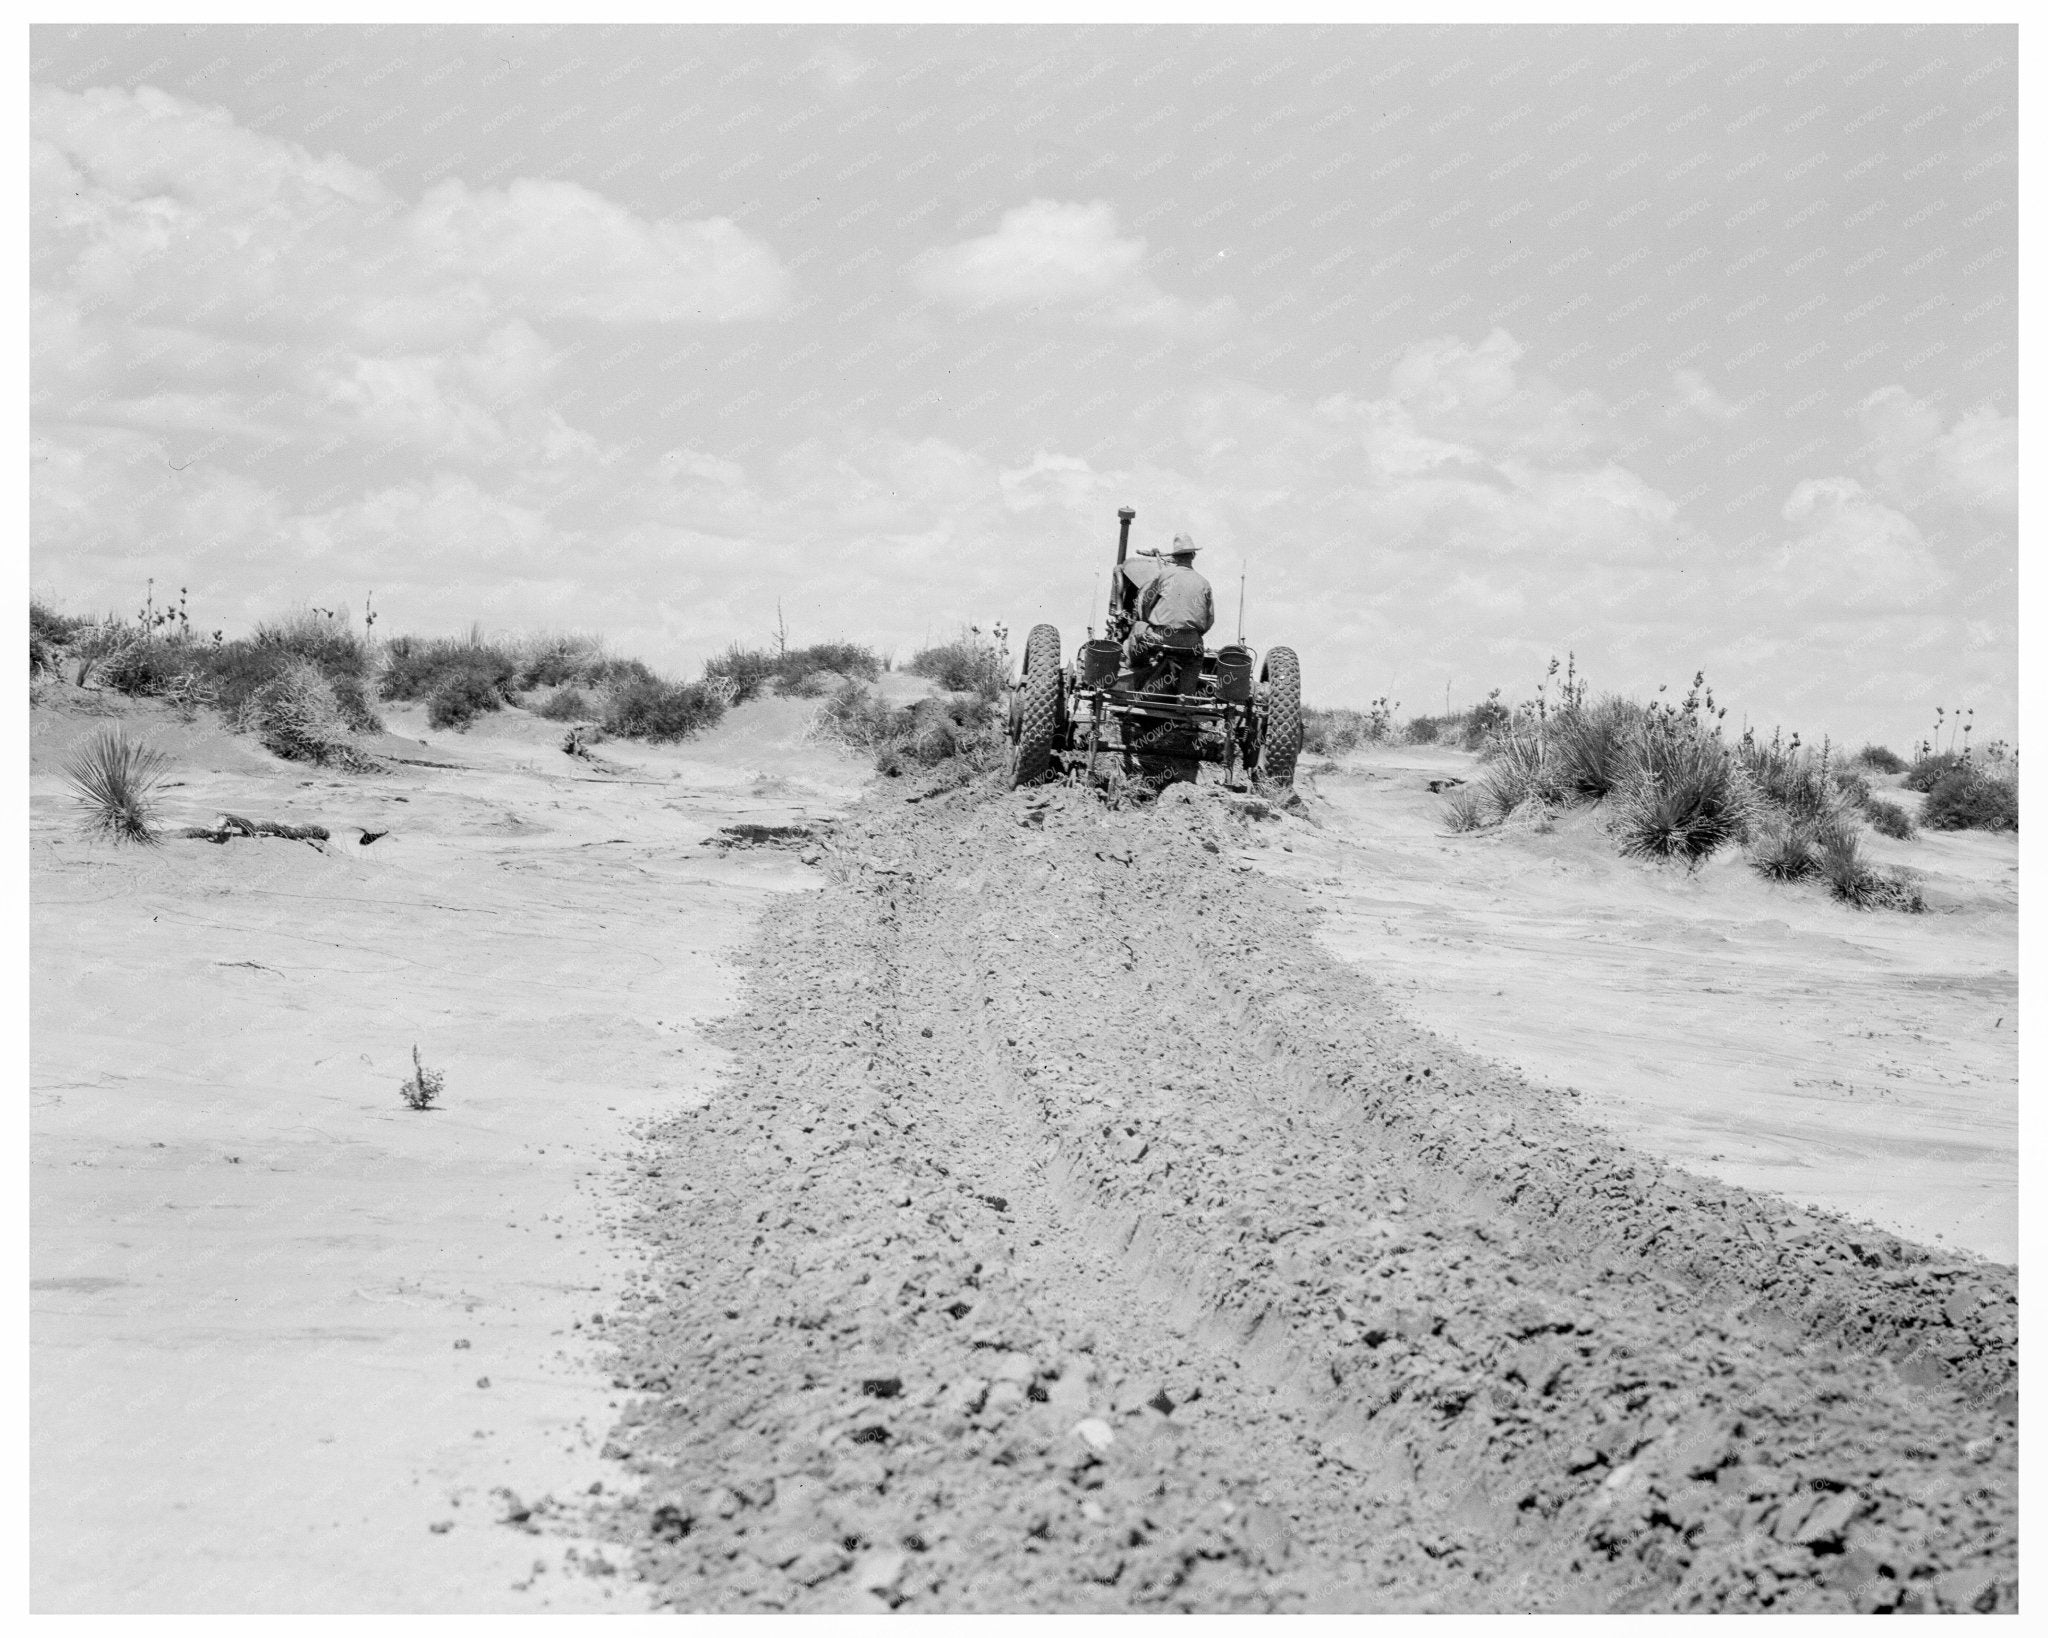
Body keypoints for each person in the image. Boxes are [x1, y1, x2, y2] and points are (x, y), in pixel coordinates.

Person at [1123, 532, 1214, 693]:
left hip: (1161, 636)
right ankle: (1185, 698)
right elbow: (1209, 620)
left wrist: (1148, 623)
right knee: (1193, 660)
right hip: (1191, 642)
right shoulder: (1204, 583)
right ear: (1193, 555)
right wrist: (1190, 632)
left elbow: (1145, 601)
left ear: (1175, 558)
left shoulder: (1164, 575)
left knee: (1138, 628)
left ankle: (1137, 673)